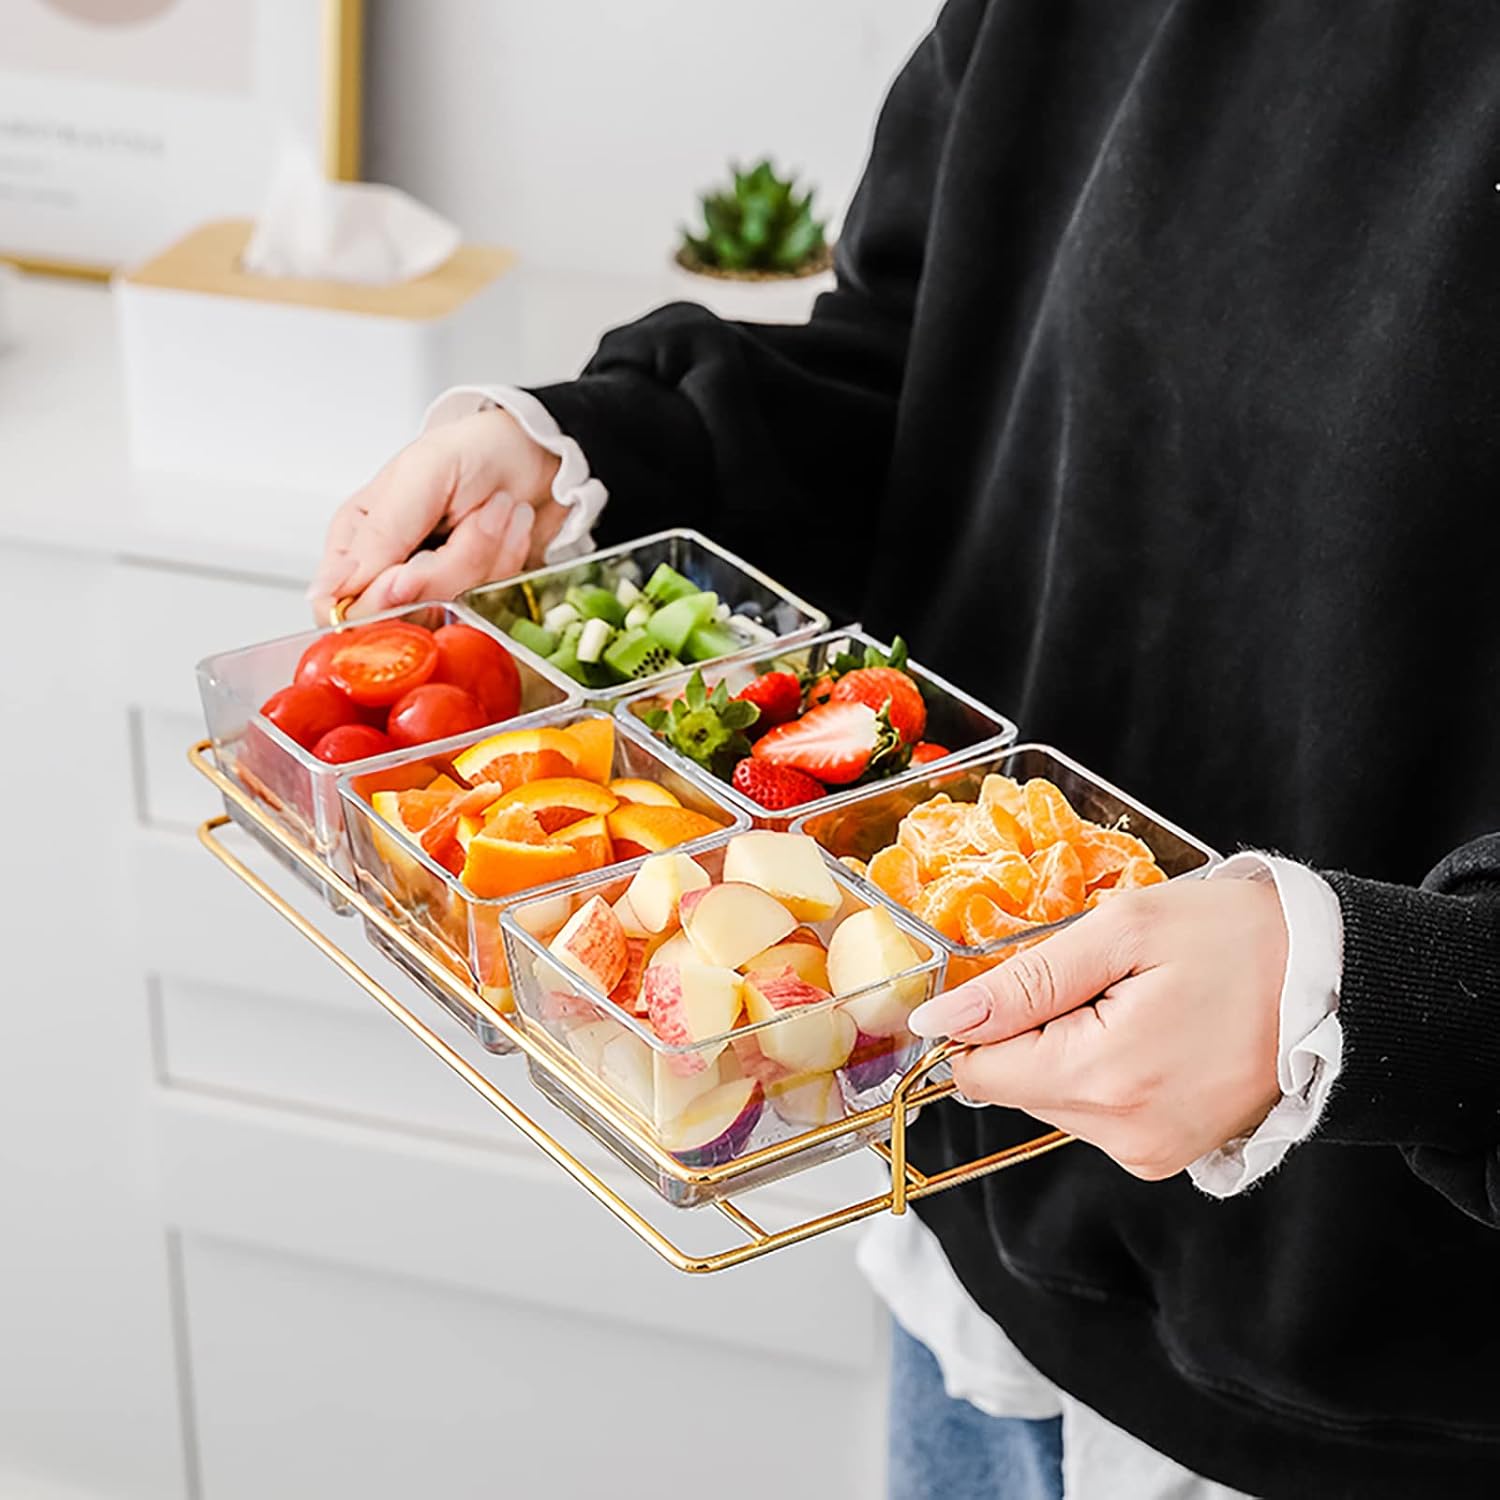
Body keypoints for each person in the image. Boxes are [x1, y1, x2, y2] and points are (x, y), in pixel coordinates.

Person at [308, 3, 1500, 1495]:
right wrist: (601, 451)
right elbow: (921, 372)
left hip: (1395, 1391)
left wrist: (1390, 999)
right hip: (975, 1249)